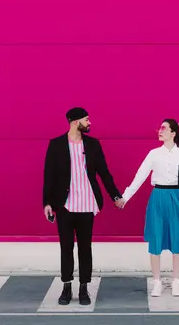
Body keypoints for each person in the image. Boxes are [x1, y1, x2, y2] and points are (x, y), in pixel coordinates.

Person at [42, 107, 125, 305]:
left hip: (87, 204)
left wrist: (115, 195)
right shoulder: (56, 145)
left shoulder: (93, 145)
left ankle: (84, 288)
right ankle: (66, 286)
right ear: (74, 121)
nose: (90, 123)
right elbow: (49, 176)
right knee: (66, 247)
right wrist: (47, 203)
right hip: (65, 205)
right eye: (86, 120)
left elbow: (104, 173)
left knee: (85, 248)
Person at [118, 119, 179, 297]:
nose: (159, 131)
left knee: (177, 239)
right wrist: (125, 197)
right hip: (158, 198)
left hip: (176, 197)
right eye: (159, 128)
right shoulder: (153, 154)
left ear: (174, 133)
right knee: (156, 240)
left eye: (164, 128)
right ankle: (157, 282)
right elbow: (140, 176)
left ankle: (176, 282)